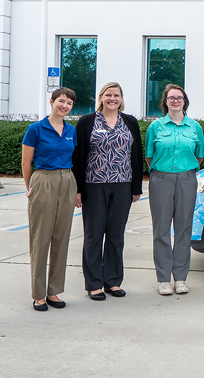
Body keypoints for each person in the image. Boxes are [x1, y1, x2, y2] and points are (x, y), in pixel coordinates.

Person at [73, 82, 143, 301]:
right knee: (94, 235)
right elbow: (77, 155)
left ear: (121, 98)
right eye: (108, 95)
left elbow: (137, 154)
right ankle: (93, 283)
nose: (112, 98)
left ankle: (112, 280)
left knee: (115, 235)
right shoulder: (87, 121)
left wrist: (136, 186)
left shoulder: (129, 121)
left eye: (116, 95)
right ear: (101, 97)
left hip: (122, 185)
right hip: (94, 185)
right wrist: (77, 189)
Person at [21, 87, 78, 311]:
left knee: (61, 238)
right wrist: (31, 189)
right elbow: (26, 163)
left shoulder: (71, 130)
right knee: (40, 238)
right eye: (61, 101)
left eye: (69, 103)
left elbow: (72, 156)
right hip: (43, 180)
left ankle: (53, 290)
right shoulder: (36, 129)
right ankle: (38, 294)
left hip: (67, 180)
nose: (65, 106)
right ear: (52, 101)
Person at [145, 84, 204, 296]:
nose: (176, 101)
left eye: (179, 98)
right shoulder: (155, 127)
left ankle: (180, 278)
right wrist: (166, 170)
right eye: (171, 98)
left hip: (187, 179)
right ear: (166, 101)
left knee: (183, 229)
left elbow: (199, 155)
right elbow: (150, 156)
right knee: (161, 230)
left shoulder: (194, 127)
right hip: (161, 179)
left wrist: (183, 171)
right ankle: (163, 279)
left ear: (184, 101)